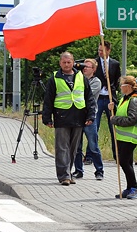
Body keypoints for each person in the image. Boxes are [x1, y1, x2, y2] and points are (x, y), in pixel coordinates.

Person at [41, 52, 96, 186]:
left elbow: (89, 98)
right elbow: (48, 99)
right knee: (62, 148)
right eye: (64, 62)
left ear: (73, 62)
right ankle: (63, 175)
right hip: (61, 116)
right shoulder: (54, 78)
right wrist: (47, 118)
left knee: (73, 148)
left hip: (78, 116)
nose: (66, 65)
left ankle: (69, 172)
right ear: (60, 63)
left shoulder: (81, 77)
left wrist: (90, 115)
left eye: (69, 62)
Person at [110, 76, 137, 199]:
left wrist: (115, 120)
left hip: (131, 136)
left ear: (129, 87)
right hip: (123, 136)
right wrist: (113, 109)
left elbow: (132, 119)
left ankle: (135, 188)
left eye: (123, 85)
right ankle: (129, 187)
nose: (121, 87)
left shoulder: (134, 101)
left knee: (124, 161)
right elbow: (122, 113)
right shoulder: (125, 99)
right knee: (127, 161)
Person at [73, 59, 104, 180]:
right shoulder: (77, 79)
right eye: (83, 66)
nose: (85, 68)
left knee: (93, 145)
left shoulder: (96, 82)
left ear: (94, 69)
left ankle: (99, 170)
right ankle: (78, 170)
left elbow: (85, 94)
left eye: (88, 66)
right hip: (77, 116)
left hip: (90, 116)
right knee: (77, 145)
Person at [92, 41, 121, 161]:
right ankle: (90, 155)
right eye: (99, 50)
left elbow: (118, 79)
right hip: (98, 98)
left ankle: (117, 155)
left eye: (102, 51)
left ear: (108, 51)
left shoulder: (114, 63)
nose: (100, 53)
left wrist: (113, 88)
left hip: (110, 98)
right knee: (94, 127)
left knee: (113, 127)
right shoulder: (95, 63)